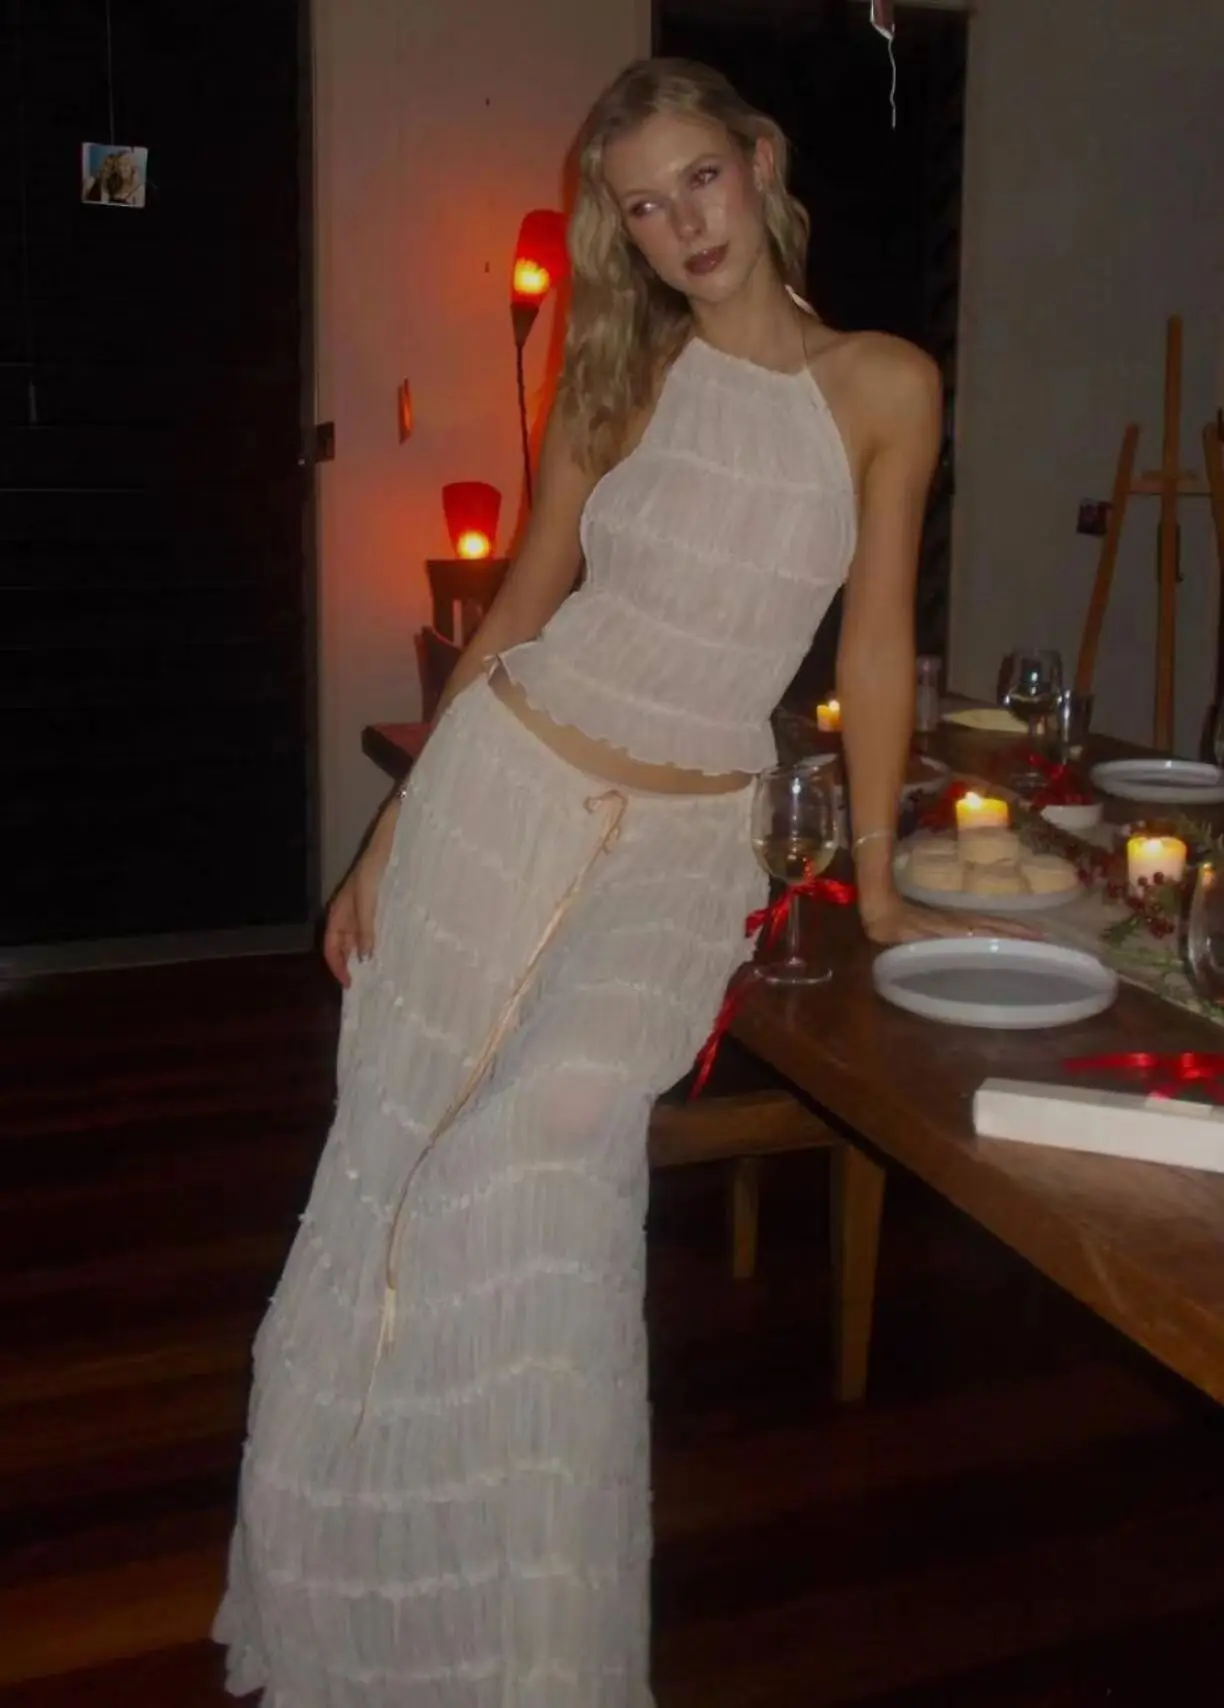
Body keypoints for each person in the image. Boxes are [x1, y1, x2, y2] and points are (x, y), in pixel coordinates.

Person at [215, 54, 960, 1707]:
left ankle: (534, 1654)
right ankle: (367, 1596)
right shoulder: (620, 372)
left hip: (689, 842)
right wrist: (390, 833)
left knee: (544, 1141)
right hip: (505, 791)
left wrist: (883, 879)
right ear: (619, 231)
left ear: (759, 161)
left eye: (701, 178)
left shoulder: (884, 385)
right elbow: (519, 610)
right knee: (395, 1171)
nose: (683, 223)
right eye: (642, 204)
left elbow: (877, 645)